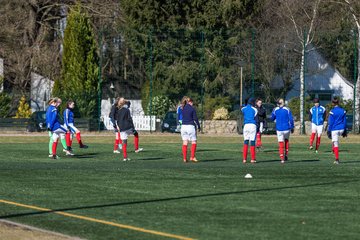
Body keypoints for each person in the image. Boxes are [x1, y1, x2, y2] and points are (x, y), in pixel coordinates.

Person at [270, 98, 294, 163]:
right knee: (286, 141)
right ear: (282, 103)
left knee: (280, 143)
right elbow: (291, 119)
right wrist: (292, 127)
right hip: (286, 128)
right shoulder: (287, 109)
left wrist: (273, 116)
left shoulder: (275, 109)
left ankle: (282, 159)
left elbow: (272, 118)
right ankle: (286, 154)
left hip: (279, 129)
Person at [326, 97, 347, 164]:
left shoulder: (332, 111)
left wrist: (329, 130)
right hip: (341, 128)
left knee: (336, 143)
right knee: (335, 140)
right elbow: (345, 121)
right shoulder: (342, 110)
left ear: (332, 103)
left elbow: (330, 122)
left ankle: (337, 159)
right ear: (338, 103)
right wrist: (345, 130)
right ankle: (333, 149)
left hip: (335, 129)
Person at [181, 96, 201, 163]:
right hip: (190, 126)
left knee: (185, 142)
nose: (193, 103)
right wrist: (199, 126)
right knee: (194, 141)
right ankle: (192, 157)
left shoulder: (182, 108)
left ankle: (184, 158)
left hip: (183, 127)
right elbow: (195, 118)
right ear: (190, 102)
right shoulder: (192, 108)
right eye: (192, 102)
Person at [241, 97, 258, 163]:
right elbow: (255, 117)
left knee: (246, 141)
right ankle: (252, 159)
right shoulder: (255, 109)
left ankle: (244, 159)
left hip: (246, 126)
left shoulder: (243, 108)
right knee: (252, 142)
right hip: (252, 125)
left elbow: (242, 108)